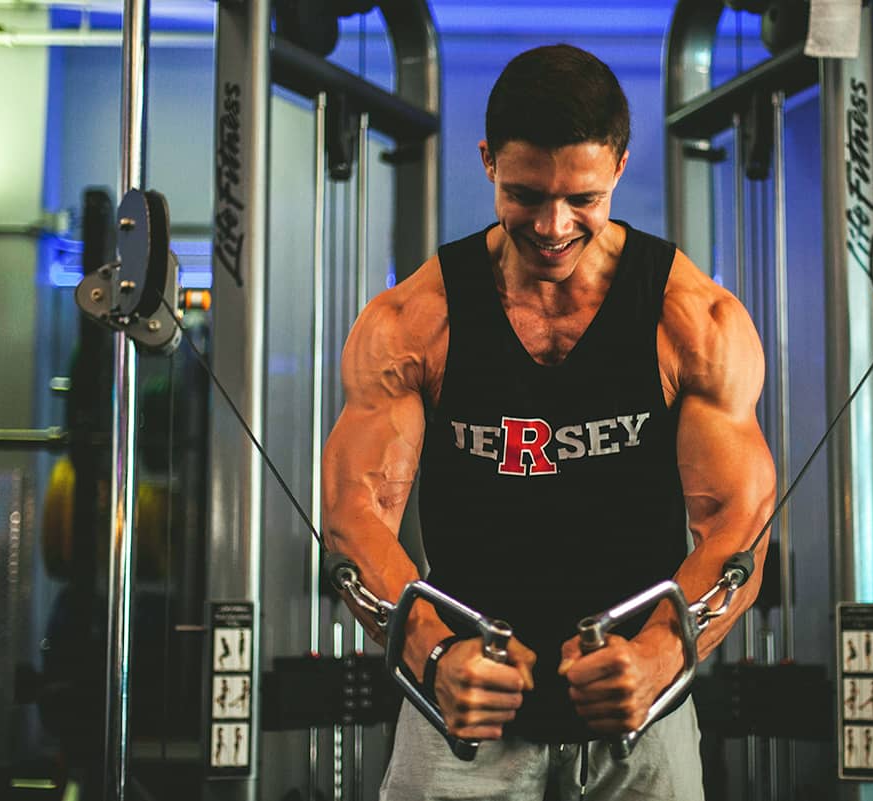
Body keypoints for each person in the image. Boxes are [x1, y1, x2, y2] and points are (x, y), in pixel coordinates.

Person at [321, 44, 775, 800]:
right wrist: (435, 658)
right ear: (488, 161)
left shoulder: (693, 322)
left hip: (643, 715)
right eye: (526, 193)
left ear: (620, 167)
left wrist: (661, 654)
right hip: (458, 717)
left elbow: (739, 524)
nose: (554, 224)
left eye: (583, 199)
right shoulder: (414, 321)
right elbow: (354, 516)